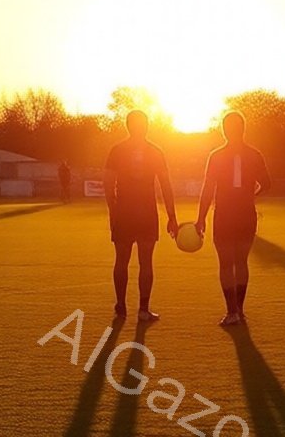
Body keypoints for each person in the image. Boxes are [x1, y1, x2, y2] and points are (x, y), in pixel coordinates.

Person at [196, 111, 272, 326]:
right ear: (243, 129)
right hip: (246, 214)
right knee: (241, 262)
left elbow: (208, 188)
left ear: (224, 130)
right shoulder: (254, 155)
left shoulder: (217, 155)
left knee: (226, 264)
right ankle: (240, 309)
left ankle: (231, 312)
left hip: (225, 215)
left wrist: (201, 218)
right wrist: (251, 195)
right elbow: (267, 184)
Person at [104, 110, 178, 322]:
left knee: (121, 260)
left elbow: (108, 183)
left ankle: (120, 306)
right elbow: (165, 185)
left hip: (125, 211)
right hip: (146, 212)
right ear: (146, 126)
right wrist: (171, 216)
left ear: (128, 126)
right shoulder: (155, 151)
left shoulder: (117, 150)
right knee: (146, 262)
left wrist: (113, 210)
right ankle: (144, 310)